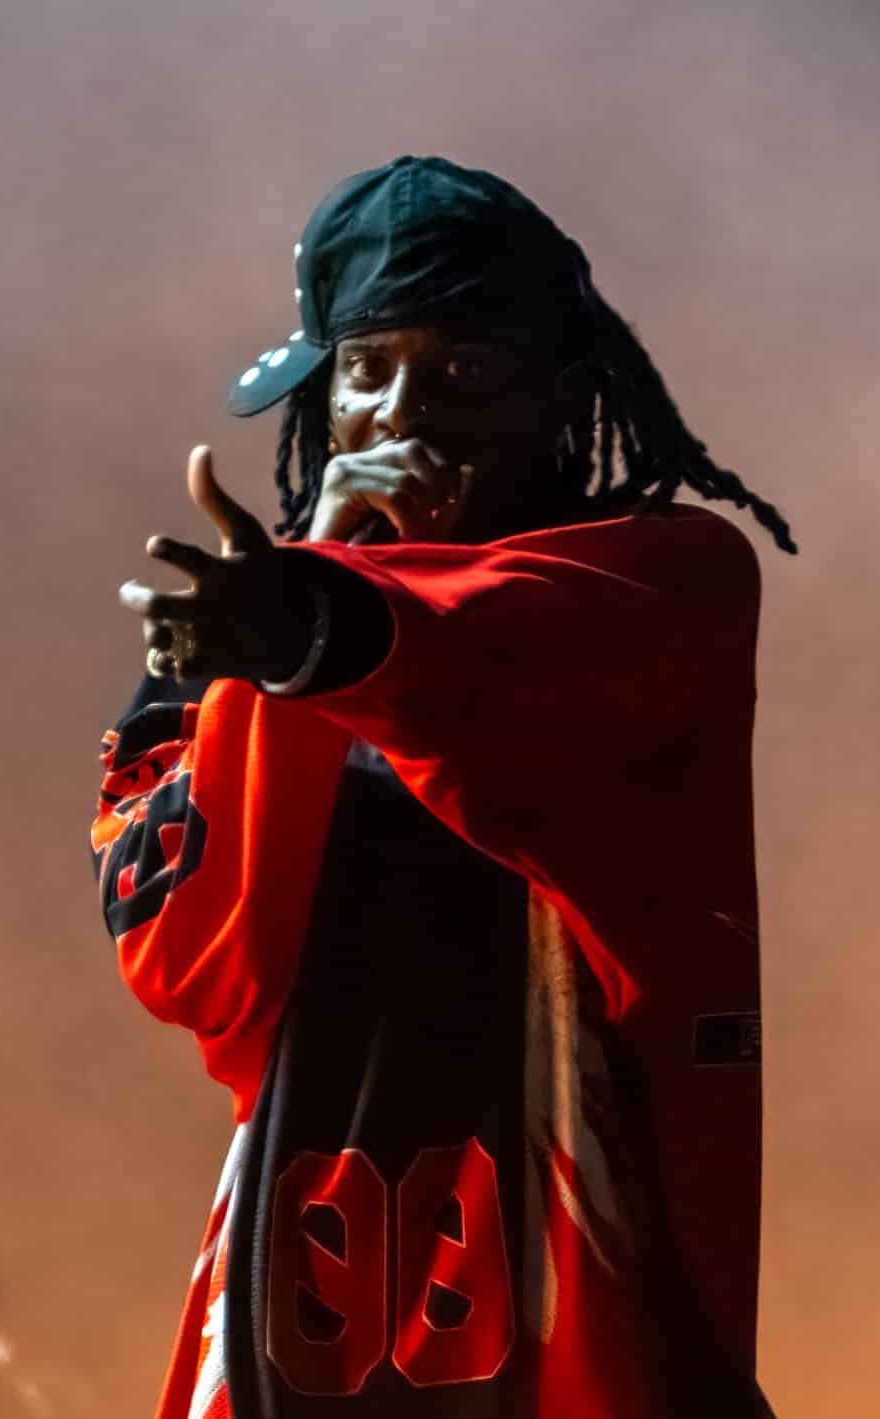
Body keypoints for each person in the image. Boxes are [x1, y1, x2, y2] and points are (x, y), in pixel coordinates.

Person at [94, 156, 794, 1419]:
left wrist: (316, 625)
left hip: (572, 1307)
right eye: (367, 372)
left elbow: (489, 660)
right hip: (306, 1306)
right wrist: (274, 657)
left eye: (465, 374)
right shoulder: (230, 643)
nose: (405, 416)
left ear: (563, 402)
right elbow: (195, 972)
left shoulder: (664, 580)